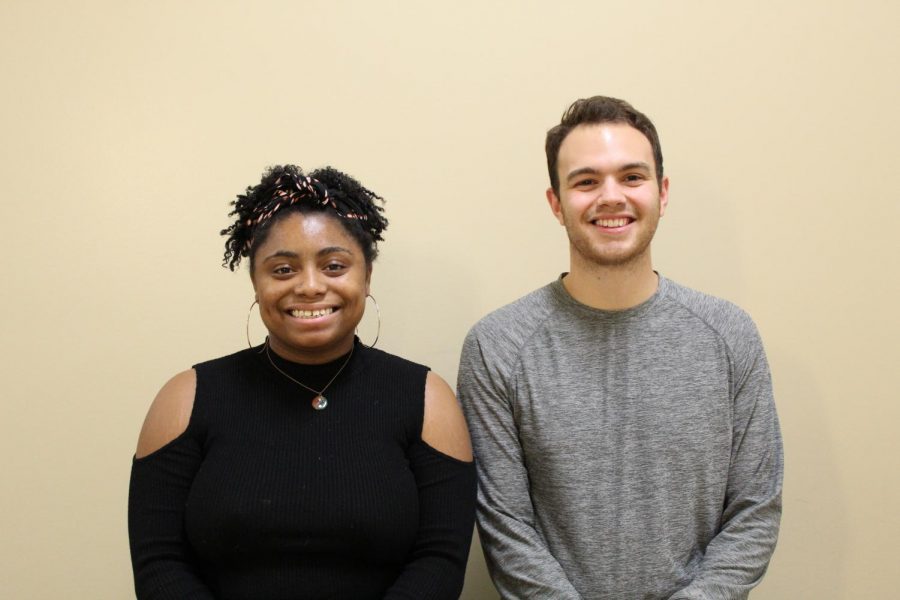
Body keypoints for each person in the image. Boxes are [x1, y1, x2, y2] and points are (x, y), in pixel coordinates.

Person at [458, 96, 783, 599]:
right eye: (586, 181)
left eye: (632, 177)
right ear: (555, 203)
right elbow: (506, 527)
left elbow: (754, 511)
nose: (611, 197)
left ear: (662, 191)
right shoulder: (497, 345)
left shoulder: (730, 335)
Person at [128, 165, 476, 600]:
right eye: (283, 269)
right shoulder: (185, 399)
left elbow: (440, 561)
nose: (310, 287)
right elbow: (159, 563)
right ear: (255, 283)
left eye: (333, 266)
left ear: (366, 276)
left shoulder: (427, 400)